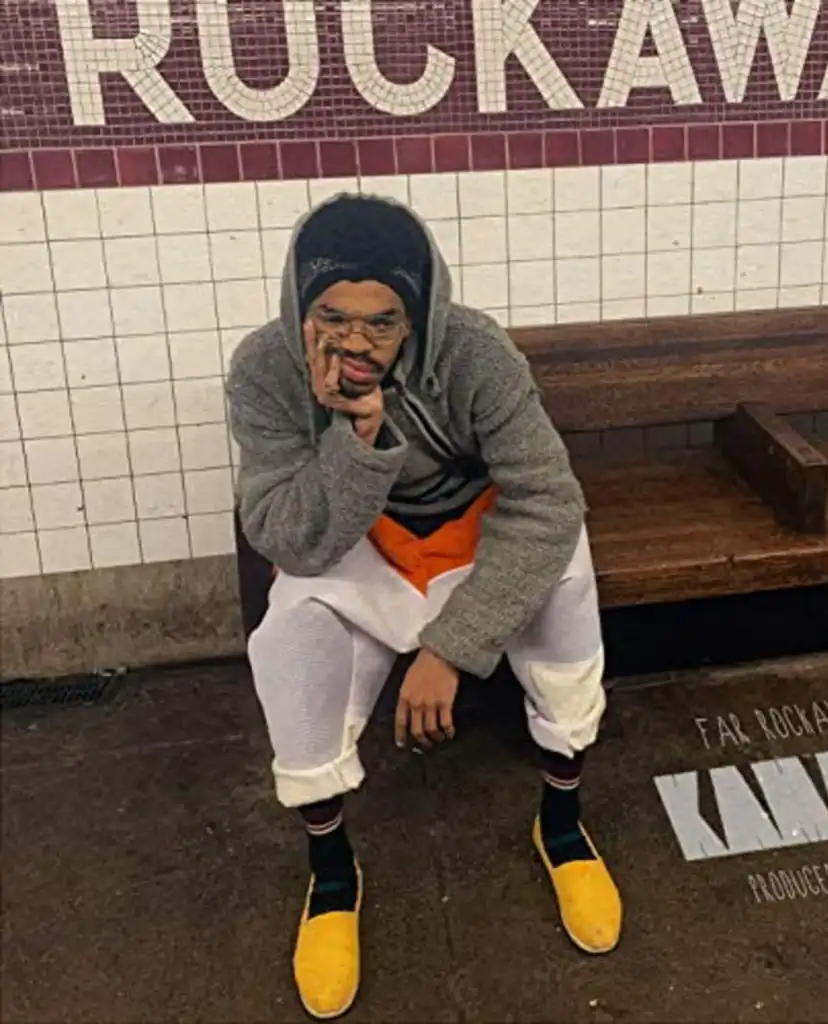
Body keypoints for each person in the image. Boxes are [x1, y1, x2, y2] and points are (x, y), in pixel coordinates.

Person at [226, 192, 621, 1019]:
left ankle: (562, 824)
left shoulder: (475, 353)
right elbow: (285, 535)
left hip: (475, 532)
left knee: (564, 579)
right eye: (332, 317)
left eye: (383, 321)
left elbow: (549, 499)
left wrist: (449, 648)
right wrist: (355, 436)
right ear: (301, 308)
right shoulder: (265, 370)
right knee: (292, 630)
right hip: (355, 534)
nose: (355, 343)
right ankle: (331, 874)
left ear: (418, 314)